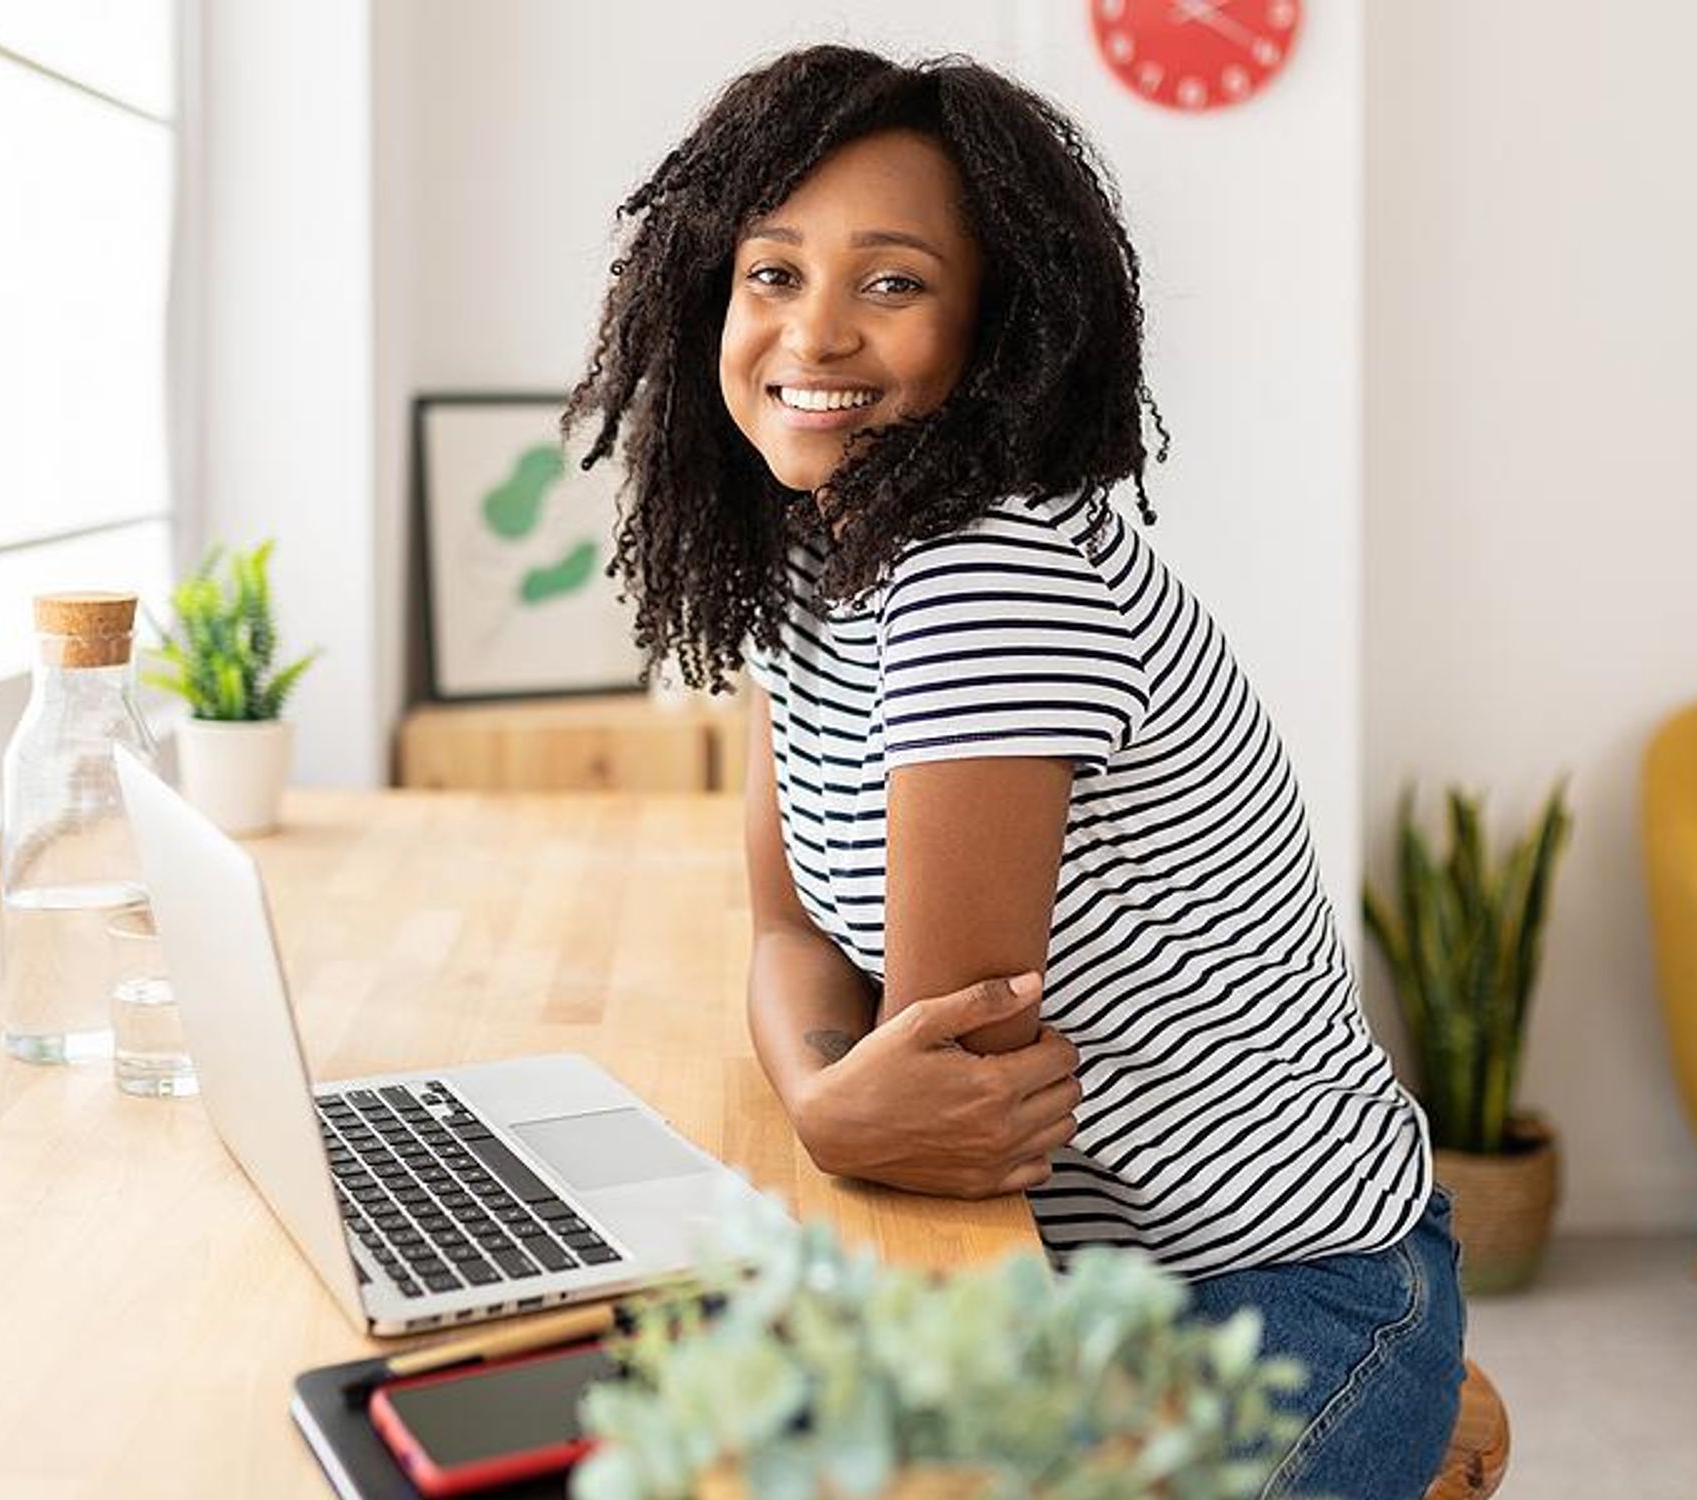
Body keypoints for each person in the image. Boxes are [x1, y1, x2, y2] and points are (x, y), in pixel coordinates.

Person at [567, 43, 1466, 1500]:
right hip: (1056, 1277)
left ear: (995, 322)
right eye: (773, 272)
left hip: (1279, 1301)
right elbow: (790, 936)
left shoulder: (986, 575)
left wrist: (841, 1101)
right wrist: (824, 1098)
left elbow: (949, 1090)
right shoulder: (811, 560)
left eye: (893, 281)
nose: (816, 331)